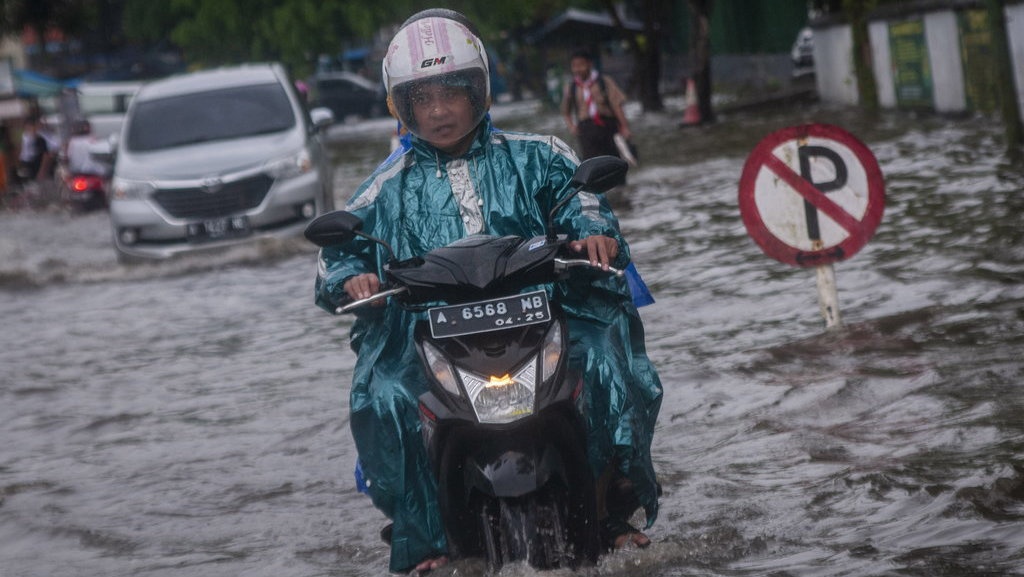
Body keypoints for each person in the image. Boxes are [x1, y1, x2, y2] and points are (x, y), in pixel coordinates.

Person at [313, 9, 662, 574]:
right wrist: (351, 276)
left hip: (546, 317)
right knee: (383, 398)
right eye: (421, 98)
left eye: (451, 92)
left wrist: (593, 232)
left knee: (603, 362)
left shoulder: (539, 154)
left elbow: (583, 200)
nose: (438, 110)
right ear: (400, 106)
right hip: (427, 338)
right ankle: (425, 540)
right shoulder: (384, 187)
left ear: (480, 88)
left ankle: (614, 514)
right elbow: (339, 250)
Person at [560, 48, 632, 161]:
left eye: (581, 65)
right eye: (574, 66)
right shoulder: (571, 87)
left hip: (607, 126)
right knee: (592, 164)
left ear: (589, 64)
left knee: (613, 160)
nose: (577, 69)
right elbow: (566, 111)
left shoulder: (604, 81)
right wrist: (572, 127)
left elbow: (616, 105)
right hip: (586, 129)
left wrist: (624, 126)